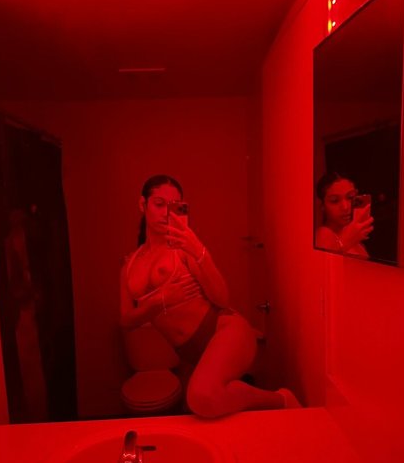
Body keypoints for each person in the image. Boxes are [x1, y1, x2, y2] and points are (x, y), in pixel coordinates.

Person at [120, 174, 300, 418]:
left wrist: (199, 250)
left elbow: (222, 299)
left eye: (173, 207)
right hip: (192, 354)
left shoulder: (184, 249)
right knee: (201, 409)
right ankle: (258, 397)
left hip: (225, 330)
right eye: (159, 204)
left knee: (200, 397)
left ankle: (281, 399)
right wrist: (161, 300)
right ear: (143, 204)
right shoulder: (129, 265)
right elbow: (127, 321)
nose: (165, 213)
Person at [315, 172, 374, 258]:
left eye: (350, 197)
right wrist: (345, 241)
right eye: (335, 201)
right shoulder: (324, 234)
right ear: (322, 206)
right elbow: (324, 263)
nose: (345, 207)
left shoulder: (357, 241)